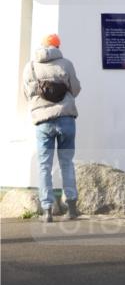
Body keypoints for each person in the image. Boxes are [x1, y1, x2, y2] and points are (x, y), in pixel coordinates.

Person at [23, 33, 81, 223]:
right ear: (58, 46)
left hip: (43, 121)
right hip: (65, 118)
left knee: (44, 166)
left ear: (42, 45)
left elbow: (27, 93)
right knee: (66, 163)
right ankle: (71, 208)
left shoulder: (31, 66)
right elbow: (76, 89)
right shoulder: (66, 64)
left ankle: (47, 210)